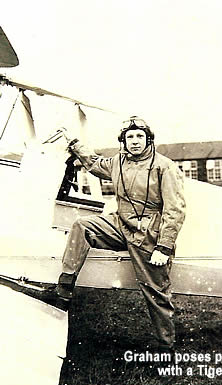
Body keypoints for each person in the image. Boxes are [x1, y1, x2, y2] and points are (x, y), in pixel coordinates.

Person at [26, 116, 186, 351]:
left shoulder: (165, 166)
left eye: (139, 136)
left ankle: (165, 346)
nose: (134, 141)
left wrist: (164, 246)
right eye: (129, 137)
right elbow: (93, 163)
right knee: (82, 226)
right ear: (123, 140)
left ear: (148, 139)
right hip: (120, 224)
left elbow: (175, 209)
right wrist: (74, 143)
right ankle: (64, 289)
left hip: (148, 234)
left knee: (155, 292)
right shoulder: (118, 161)